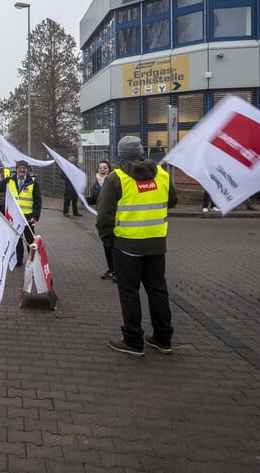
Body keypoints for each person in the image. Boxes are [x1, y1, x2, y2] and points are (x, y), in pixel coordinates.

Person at [96, 135, 177, 357]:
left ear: (120, 154)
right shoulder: (161, 173)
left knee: (129, 291)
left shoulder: (116, 178)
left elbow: (103, 215)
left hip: (126, 246)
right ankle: (163, 338)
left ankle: (133, 340)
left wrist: (107, 240)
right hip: (157, 244)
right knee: (158, 290)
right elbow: (172, 201)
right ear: (141, 151)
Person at [0, 160, 42, 267]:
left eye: (24, 168)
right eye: (20, 168)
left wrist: (35, 217)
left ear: (27, 170)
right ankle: (18, 260)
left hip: (28, 217)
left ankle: (33, 261)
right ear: (16, 169)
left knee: (30, 240)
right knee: (17, 239)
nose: (22, 170)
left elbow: (38, 201)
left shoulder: (33, 183)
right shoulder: (9, 181)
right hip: (15, 216)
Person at [87, 159, 116, 281]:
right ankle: (111, 270)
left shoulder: (114, 182)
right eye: (100, 168)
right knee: (107, 245)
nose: (102, 170)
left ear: (109, 170)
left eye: (105, 168)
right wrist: (84, 200)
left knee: (115, 246)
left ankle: (118, 272)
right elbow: (95, 199)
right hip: (102, 219)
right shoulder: (97, 183)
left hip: (113, 218)